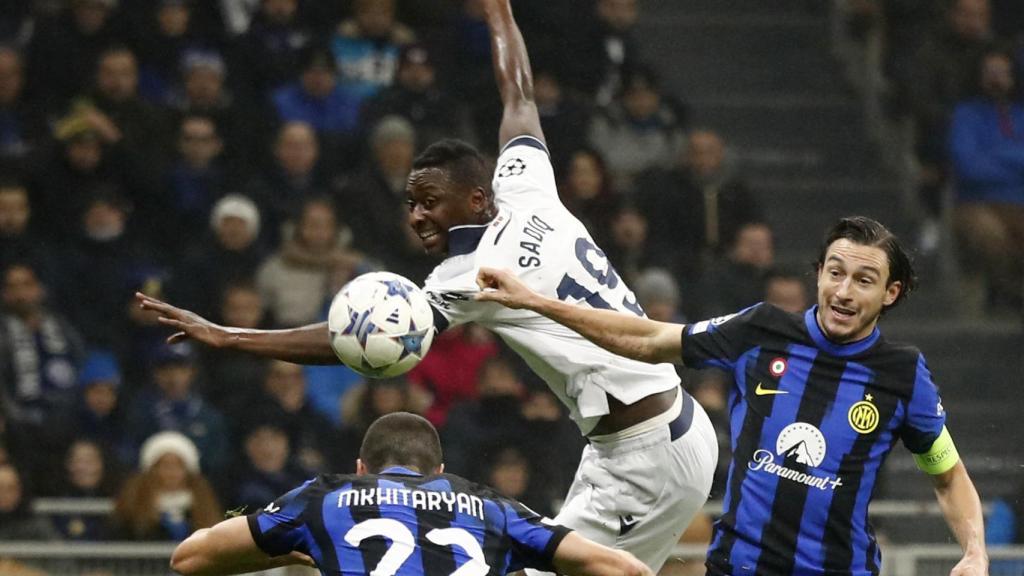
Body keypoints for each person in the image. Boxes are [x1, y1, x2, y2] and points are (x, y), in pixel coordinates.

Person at [140, 0, 717, 571]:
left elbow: (348, 339)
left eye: (431, 201)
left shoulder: (471, 275)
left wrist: (232, 337)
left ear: (476, 199)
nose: (417, 216)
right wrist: (499, 11)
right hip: (656, 432)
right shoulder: (528, 186)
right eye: (411, 203)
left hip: (643, 457)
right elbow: (518, 95)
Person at [473, 216, 989, 576]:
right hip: (738, 568)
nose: (844, 291)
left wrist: (975, 552)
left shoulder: (902, 374)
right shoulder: (761, 330)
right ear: (819, 273)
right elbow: (648, 338)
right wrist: (535, 302)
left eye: (864, 280)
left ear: (890, 293)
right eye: (835, 273)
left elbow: (948, 475)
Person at [170, 411, 652, 576]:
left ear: (361, 470)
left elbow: (189, 558)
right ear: (439, 472)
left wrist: (291, 551)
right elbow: (622, 569)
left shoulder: (325, 499)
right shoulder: (492, 507)